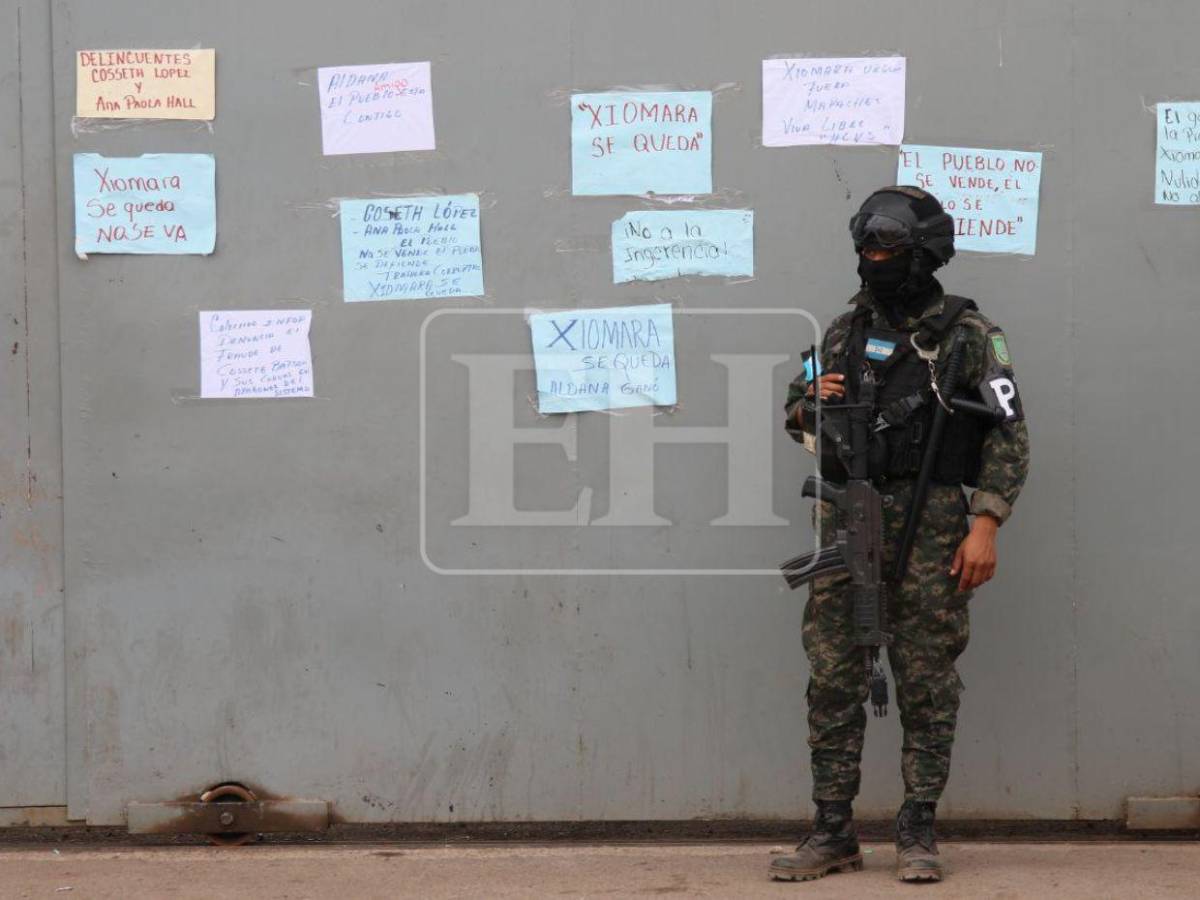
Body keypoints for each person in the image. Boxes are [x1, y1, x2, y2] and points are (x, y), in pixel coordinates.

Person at [769, 186, 1031, 883]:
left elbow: (1008, 433)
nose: (874, 260)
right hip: (848, 518)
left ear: (922, 254)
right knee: (832, 676)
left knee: (925, 680)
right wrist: (808, 403)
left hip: (933, 522)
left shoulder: (970, 336)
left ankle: (917, 829)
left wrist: (987, 523)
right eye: (867, 248)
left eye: (887, 249)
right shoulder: (840, 332)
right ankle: (833, 829)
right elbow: (797, 409)